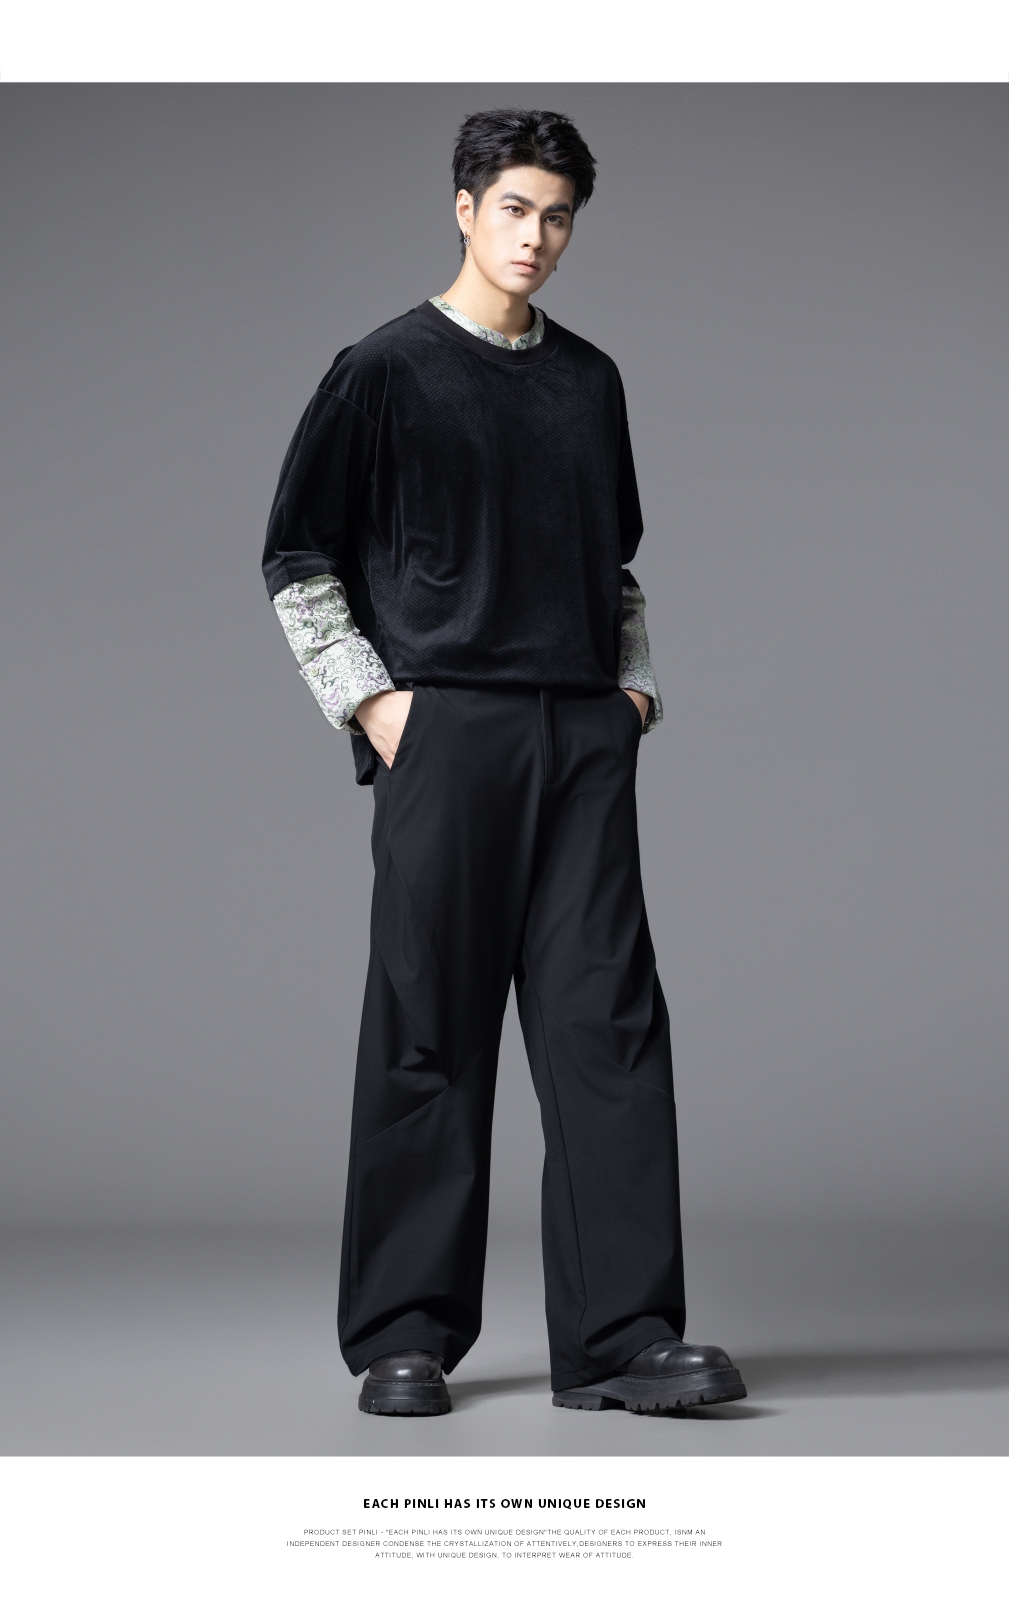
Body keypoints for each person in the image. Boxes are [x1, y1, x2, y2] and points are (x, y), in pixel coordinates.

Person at [262, 107, 746, 1417]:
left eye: (558, 216)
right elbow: (297, 557)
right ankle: (404, 1337)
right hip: (448, 731)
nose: (536, 237)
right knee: (429, 1025)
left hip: (581, 735)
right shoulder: (383, 370)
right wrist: (375, 708)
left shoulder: (590, 381)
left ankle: (622, 1341)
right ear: (465, 207)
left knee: (609, 1027)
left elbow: (615, 561)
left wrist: (632, 691)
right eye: (516, 208)